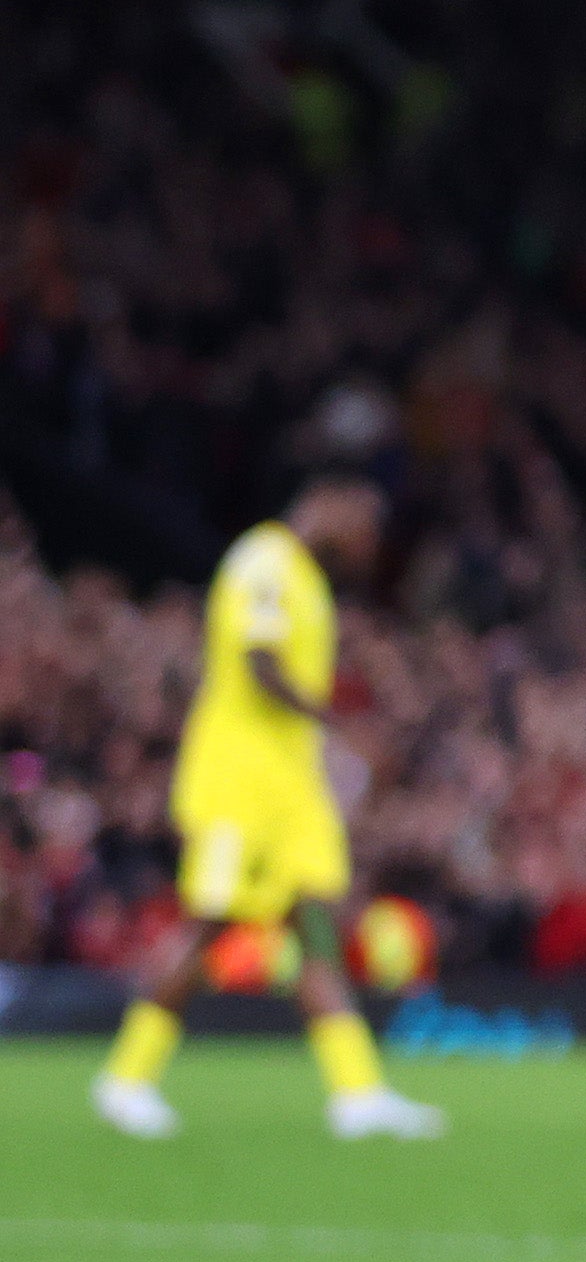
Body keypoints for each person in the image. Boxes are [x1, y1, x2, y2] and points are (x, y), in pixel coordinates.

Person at [93, 468, 447, 1143]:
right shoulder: (264, 560)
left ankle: (357, 1094)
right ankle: (127, 1077)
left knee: (314, 925)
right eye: (365, 530)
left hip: (288, 787)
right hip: (240, 785)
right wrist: (341, 721)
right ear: (330, 512)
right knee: (210, 924)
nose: (370, 548)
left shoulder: (306, 578)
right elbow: (260, 661)